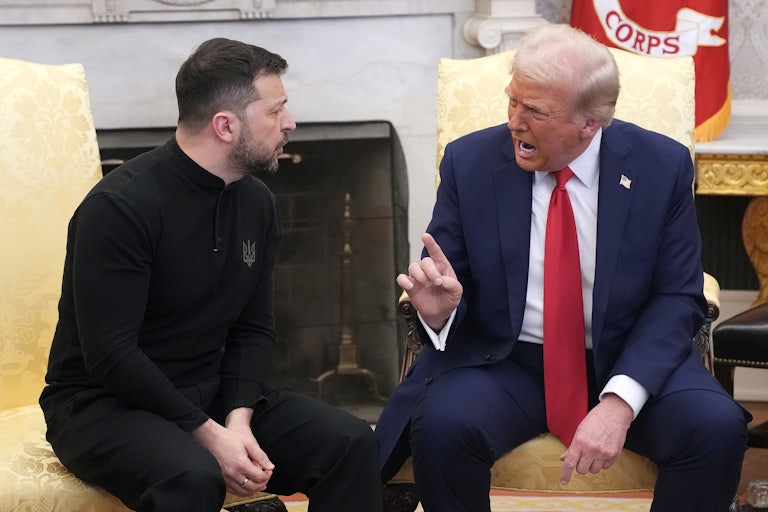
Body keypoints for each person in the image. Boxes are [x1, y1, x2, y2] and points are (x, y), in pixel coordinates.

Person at [375, 23, 750, 512]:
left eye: (535, 111)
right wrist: (441, 311)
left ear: (589, 123)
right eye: (513, 102)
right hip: (508, 361)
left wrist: (619, 403)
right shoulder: (470, 162)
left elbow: (677, 295)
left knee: (715, 428)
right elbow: (445, 277)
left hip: (626, 355)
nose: (514, 121)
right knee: (443, 426)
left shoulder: (661, 166)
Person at [39, 38, 383, 512]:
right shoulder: (120, 208)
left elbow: (254, 327)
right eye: (276, 111)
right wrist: (206, 435)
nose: (290, 123)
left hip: (212, 393)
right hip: (102, 405)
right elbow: (111, 355)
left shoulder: (257, 202)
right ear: (225, 125)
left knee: (349, 442)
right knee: (191, 475)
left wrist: (238, 421)